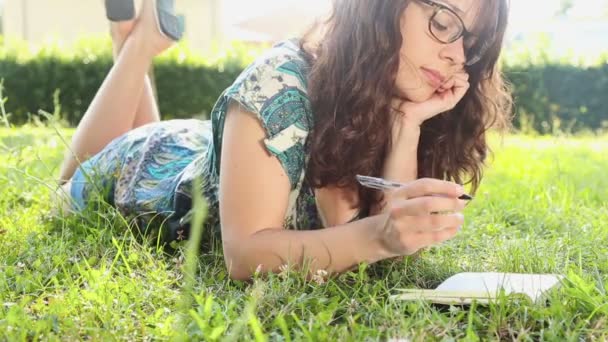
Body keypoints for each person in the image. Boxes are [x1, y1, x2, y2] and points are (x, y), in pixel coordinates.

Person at [55, 0, 512, 281]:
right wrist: (380, 237)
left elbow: (384, 248)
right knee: (68, 189)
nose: (456, 54)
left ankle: (130, 41)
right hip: (156, 175)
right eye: (445, 22)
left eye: (471, 43)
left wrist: (406, 125)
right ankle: (137, 44)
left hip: (217, 156)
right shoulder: (278, 87)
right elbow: (244, 254)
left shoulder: (395, 99)